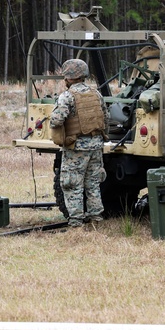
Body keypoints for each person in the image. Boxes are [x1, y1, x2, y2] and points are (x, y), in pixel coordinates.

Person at [49, 58, 107, 229]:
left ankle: (76, 222)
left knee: (72, 183)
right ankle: (96, 218)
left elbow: (56, 121)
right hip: (96, 146)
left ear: (68, 77)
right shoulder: (96, 94)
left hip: (77, 148)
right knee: (93, 183)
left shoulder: (67, 96)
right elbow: (105, 117)